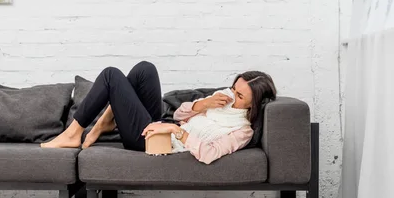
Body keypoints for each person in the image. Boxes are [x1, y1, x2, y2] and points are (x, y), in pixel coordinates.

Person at [41, 61, 277, 164]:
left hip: (159, 143)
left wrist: (175, 131)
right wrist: (203, 105)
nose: (232, 95)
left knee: (111, 75)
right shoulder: (223, 97)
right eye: (234, 88)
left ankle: (74, 132)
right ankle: (106, 121)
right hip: (164, 129)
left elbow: (209, 153)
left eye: (240, 96)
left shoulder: (242, 131)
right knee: (145, 69)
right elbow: (178, 114)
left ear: (253, 105)